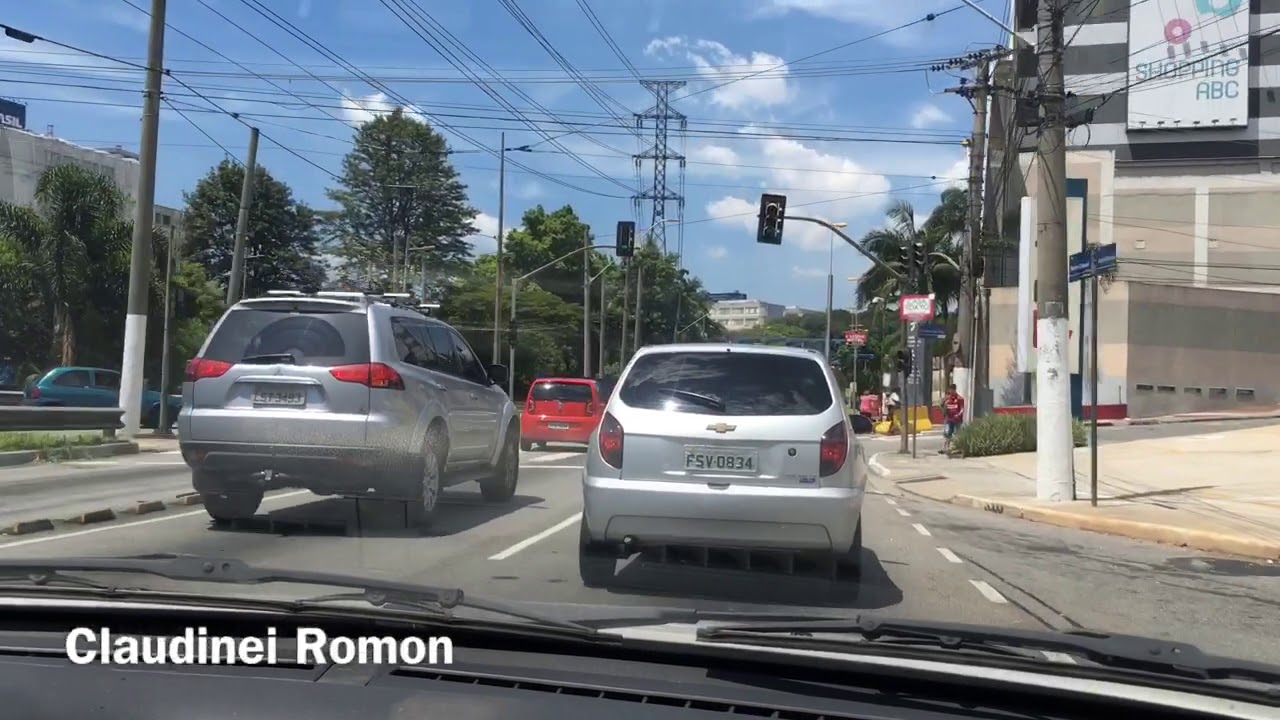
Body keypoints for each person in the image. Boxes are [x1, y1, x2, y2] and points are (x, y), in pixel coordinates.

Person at [942, 383, 965, 455]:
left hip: (957, 420)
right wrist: (944, 403)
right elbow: (944, 408)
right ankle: (945, 448)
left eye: (951, 390)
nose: (950, 391)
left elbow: (962, 409)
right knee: (947, 433)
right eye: (949, 390)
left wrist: (958, 415)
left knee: (957, 433)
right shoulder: (948, 399)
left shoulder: (960, 399)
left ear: (954, 390)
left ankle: (958, 448)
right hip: (949, 419)